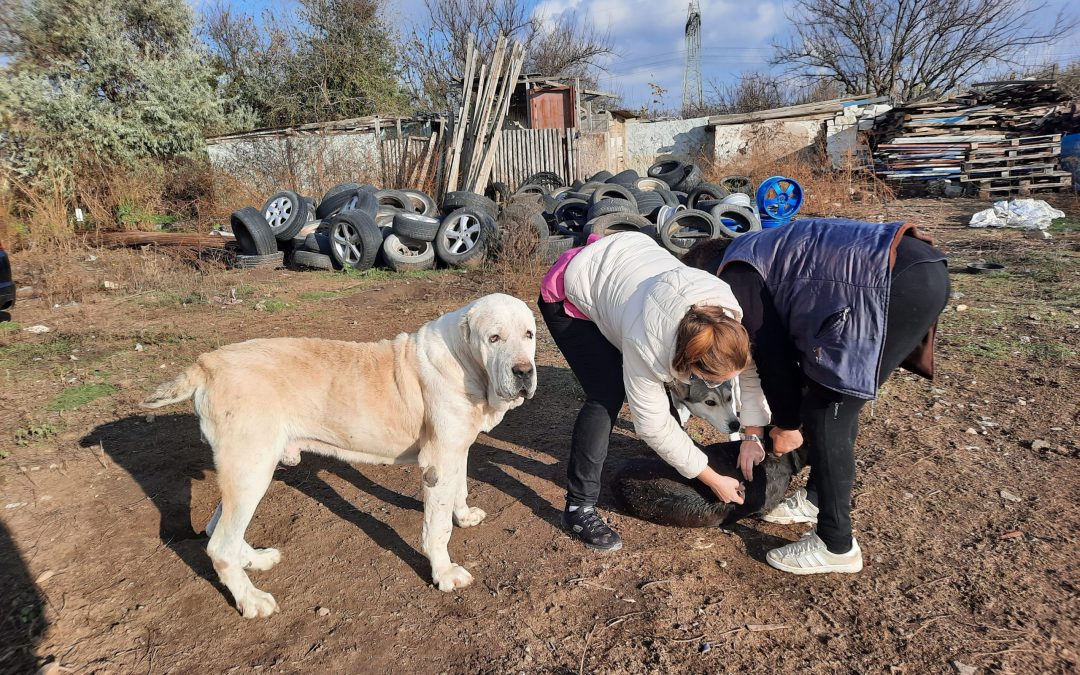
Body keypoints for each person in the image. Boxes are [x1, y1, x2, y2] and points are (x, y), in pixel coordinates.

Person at [681, 217, 949, 574]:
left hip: (893, 283)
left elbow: (771, 354)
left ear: (705, 274)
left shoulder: (734, 276)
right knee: (837, 402)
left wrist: (788, 424)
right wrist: (766, 425)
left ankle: (836, 544)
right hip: (918, 267)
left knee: (828, 412)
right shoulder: (752, 251)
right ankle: (816, 497)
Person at [537, 231, 772, 552]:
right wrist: (712, 478)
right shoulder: (647, 342)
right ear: (691, 364)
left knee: (643, 382)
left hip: (628, 258)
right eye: (714, 379)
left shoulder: (725, 310)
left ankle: (672, 453)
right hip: (572, 288)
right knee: (607, 392)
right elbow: (652, 425)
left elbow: (747, 369)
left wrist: (752, 434)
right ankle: (579, 507)